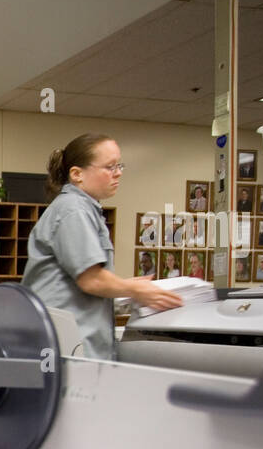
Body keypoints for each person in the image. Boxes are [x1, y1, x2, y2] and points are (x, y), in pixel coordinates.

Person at [22, 134, 182, 360]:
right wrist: (134, 290)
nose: (118, 173)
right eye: (109, 167)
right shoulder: (73, 210)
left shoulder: (85, 209)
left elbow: (80, 284)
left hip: (71, 342)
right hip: (65, 347)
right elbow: (91, 279)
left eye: (119, 165)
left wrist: (126, 287)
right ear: (77, 174)